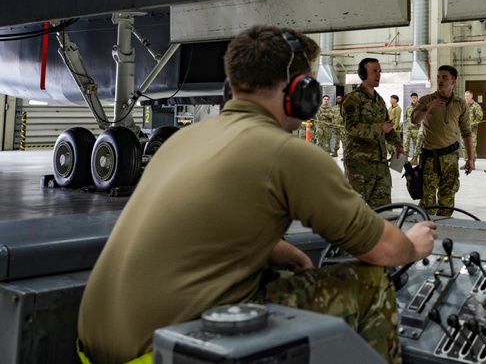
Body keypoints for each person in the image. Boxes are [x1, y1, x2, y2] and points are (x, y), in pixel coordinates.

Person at [76, 25, 436, 364]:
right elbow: (385, 249)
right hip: (170, 351)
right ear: (300, 92)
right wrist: (414, 243)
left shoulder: (182, 141)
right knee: (371, 284)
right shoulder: (287, 153)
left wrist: (278, 248)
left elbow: (204, 219)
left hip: (94, 348)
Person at [410, 66, 474, 216]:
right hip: (431, 158)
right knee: (428, 203)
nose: (440, 80)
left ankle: (444, 232)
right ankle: (425, 234)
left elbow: (466, 132)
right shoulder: (427, 100)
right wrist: (430, 106)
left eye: (444, 78)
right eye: (438, 77)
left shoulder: (460, 103)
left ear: (453, 81)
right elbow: (414, 119)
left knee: (447, 202)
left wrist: (470, 158)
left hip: (451, 158)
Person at [342, 58, 405, 208]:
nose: (378, 75)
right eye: (374, 71)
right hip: (359, 163)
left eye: (380, 71)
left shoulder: (379, 101)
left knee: (383, 208)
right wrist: (379, 128)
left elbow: (388, 126)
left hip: (380, 162)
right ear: (363, 74)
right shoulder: (352, 99)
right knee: (355, 207)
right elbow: (351, 127)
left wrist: (398, 145)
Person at [464, 90, 484, 162]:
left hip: (472, 130)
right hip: (463, 129)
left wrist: (473, 124)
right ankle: (466, 162)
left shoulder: (476, 106)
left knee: (472, 145)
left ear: (471, 96)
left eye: (468, 96)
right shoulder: (463, 105)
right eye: (465, 96)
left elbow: (479, 116)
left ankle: (472, 161)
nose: (466, 97)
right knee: (464, 146)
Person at [404, 92, 423, 164]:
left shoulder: (420, 108)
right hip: (409, 129)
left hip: (416, 129)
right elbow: (405, 115)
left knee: (416, 145)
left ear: (417, 98)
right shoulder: (408, 107)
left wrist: (421, 130)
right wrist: (407, 122)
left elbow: (423, 119)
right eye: (412, 98)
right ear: (411, 99)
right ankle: (405, 159)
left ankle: (415, 159)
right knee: (406, 143)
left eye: (415, 98)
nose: (414, 99)